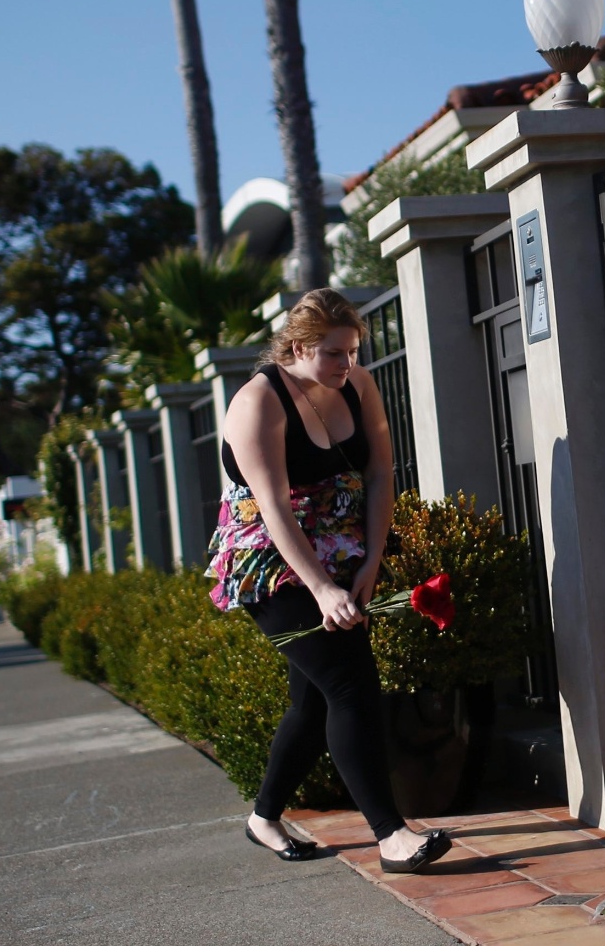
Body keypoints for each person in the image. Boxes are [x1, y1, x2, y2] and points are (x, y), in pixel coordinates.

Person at [206, 289, 451, 872]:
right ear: (298, 347)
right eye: (334, 354)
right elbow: (272, 508)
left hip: (342, 553)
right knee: (349, 685)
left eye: (352, 351)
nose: (346, 365)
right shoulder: (257, 402)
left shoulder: (358, 385)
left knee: (314, 700)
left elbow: (380, 473)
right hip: (270, 562)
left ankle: (263, 817)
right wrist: (321, 588)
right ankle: (392, 836)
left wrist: (368, 564)